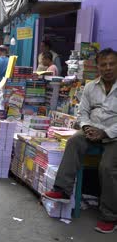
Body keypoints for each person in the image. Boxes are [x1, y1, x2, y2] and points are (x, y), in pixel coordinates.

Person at [44, 48, 117, 234]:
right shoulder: (91, 87)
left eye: (112, 64)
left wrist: (105, 133)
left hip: (114, 135)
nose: (108, 68)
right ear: (98, 68)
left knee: (108, 167)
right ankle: (62, 189)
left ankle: (109, 216)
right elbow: (82, 112)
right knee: (74, 141)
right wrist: (86, 127)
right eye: (104, 65)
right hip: (92, 130)